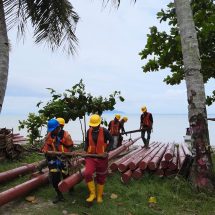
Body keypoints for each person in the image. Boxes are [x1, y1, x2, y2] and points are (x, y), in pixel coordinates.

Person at [41, 118, 74, 204]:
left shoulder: (66, 135)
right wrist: (47, 152)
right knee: (54, 177)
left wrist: (66, 155)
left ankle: (70, 187)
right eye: (51, 130)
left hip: (63, 158)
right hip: (53, 159)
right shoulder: (49, 135)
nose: (52, 131)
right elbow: (46, 147)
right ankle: (59, 195)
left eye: (53, 129)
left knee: (65, 174)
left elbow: (70, 146)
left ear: (57, 127)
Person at [84, 114, 113, 203]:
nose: (93, 127)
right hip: (91, 156)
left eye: (95, 126)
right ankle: (92, 194)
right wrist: (85, 151)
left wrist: (106, 151)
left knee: (101, 176)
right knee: (87, 173)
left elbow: (111, 141)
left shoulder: (104, 131)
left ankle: (99, 195)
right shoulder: (89, 131)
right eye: (92, 126)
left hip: (102, 157)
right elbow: (87, 142)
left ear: (99, 124)